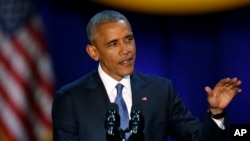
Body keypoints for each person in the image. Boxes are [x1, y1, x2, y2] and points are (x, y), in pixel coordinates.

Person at [52, 10, 242, 141]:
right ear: (93, 52)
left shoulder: (161, 91)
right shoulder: (70, 99)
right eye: (113, 44)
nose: (126, 50)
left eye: (129, 39)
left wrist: (216, 113)